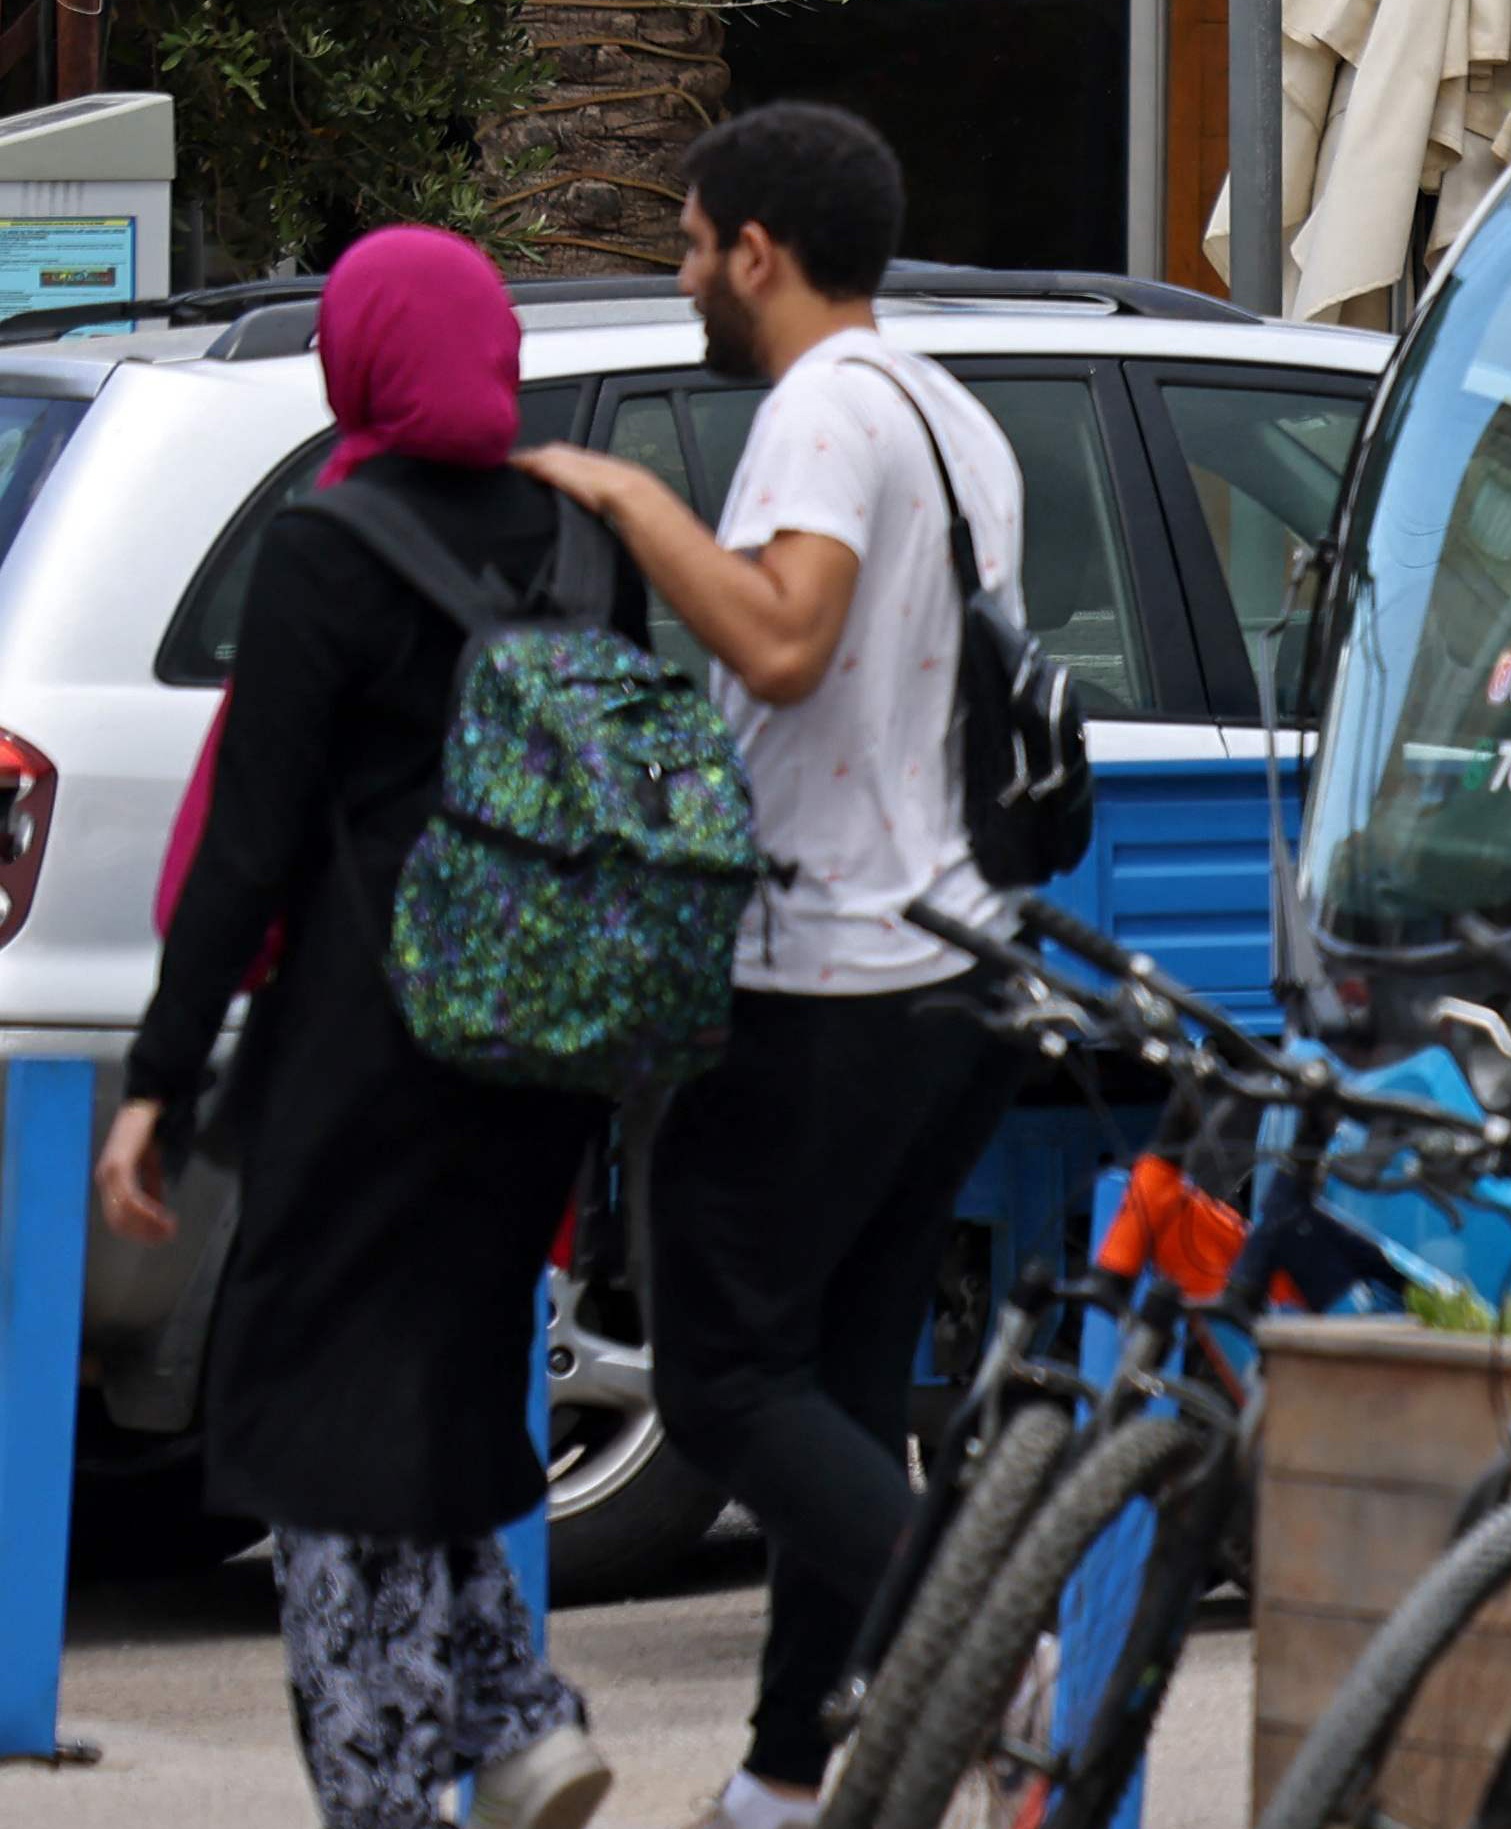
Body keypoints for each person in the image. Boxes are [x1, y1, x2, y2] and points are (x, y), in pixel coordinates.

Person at [521, 104, 1036, 1829]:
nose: (683, 279)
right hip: (955, 966)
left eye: (686, 244)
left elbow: (789, 639)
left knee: (726, 1381)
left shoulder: (822, 407)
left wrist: (628, 495)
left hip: (824, 969)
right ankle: (782, 1775)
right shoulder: (957, 415)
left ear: (758, 247)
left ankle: (974, 1633)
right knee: (832, 1387)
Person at [105, 230, 614, 1829]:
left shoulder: (332, 550)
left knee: (314, 1435)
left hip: (363, 1061)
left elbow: (247, 845)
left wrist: (159, 1087)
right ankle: (519, 1712)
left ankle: (390, 1790)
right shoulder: (582, 539)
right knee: (448, 1389)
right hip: (538, 1054)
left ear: (358, 357)